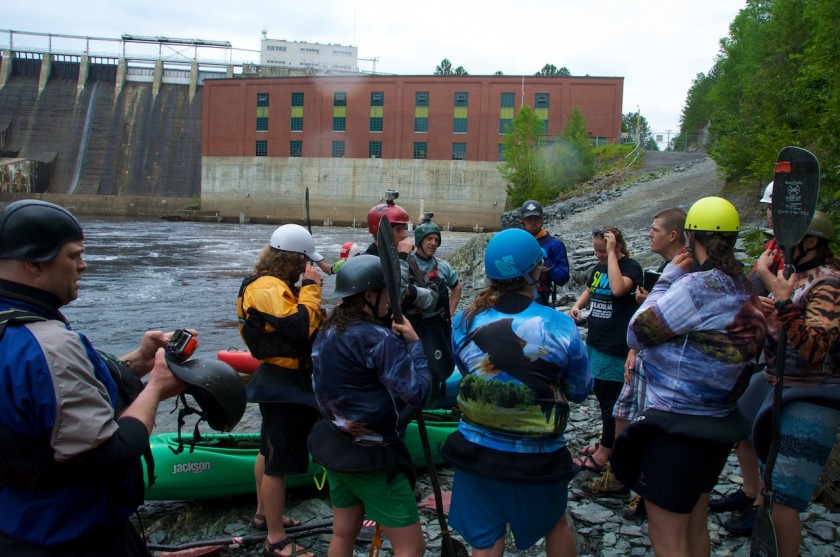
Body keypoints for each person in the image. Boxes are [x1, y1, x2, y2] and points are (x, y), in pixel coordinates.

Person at [0, 200, 187, 556]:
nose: (83, 266)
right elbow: (107, 455)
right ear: (33, 262)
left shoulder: (15, 326)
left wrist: (139, 360)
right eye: (74, 255)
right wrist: (157, 387)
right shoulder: (49, 343)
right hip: (71, 534)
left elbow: (49, 392)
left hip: (16, 523)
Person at [610, 197, 767, 557]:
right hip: (716, 427)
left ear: (692, 237)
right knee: (696, 527)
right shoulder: (743, 286)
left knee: (666, 536)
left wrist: (667, 281)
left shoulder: (698, 287)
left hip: (676, 426)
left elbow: (637, 332)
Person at [440, 228, 592, 557]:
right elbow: (581, 390)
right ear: (534, 271)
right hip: (538, 457)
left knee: (484, 539)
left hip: (475, 451)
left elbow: (468, 372)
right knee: (555, 523)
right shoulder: (560, 325)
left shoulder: (464, 321)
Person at [730, 210, 840, 557]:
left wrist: (781, 302)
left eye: (785, 239)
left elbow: (815, 349)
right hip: (783, 387)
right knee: (772, 485)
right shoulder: (800, 276)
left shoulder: (829, 283)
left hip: (811, 396)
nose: (777, 247)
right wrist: (775, 311)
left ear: (810, 242)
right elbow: (793, 330)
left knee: (785, 496)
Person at [309, 254, 430, 557]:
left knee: (343, 533)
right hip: (373, 458)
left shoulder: (325, 330)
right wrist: (414, 344)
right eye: (386, 292)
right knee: (412, 548)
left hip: (334, 446)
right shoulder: (379, 339)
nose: (391, 299)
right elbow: (417, 393)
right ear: (368, 294)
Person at [236, 223, 324, 557]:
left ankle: (263, 514)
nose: (306, 269)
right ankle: (276, 539)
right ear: (290, 261)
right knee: (278, 460)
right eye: (304, 263)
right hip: (281, 384)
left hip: (281, 380)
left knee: (268, 449)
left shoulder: (273, 284)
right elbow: (300, 327)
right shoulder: (268, 287)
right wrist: (312, 289)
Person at [592, 209, 689, 505]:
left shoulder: (683, 268)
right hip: (640, 351)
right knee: (623, 411)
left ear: (673, 235)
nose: (648, 233)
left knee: (640, 417)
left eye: (654, 229)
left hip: (661, 361)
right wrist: (636, 347)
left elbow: (674, 315)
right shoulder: (667, 265)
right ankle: (622, 475)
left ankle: (644, 487)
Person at [708, 181, 779, 533]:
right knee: (743, 427)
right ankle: (751, 491)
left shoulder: (797, 254)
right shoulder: (774, 246)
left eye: (772, 206)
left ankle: (764, 502)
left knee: (764, 433)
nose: (767, 212)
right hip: (762, 355)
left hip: (784, 365)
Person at [568, 226, 642, 480]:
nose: (598, 255)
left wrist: (612, 254)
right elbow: (592, 289)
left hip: (616, 346)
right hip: (596, 343)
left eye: (602, 250)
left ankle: (606, 452)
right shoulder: (600, 267)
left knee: (613, 402)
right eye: (596, 250)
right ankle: (605, 442)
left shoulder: (631, 267)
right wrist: (577, 305)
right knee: (601, 397)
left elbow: (618, 288)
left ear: (616, 246)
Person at [405, 218, 463, 404]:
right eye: (429, 239)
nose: (433, 243)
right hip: (414, 326)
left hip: (436, 327)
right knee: (415, 366)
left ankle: (435, 401)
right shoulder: (405, 264)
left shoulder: (443, 267)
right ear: (419, 241)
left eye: (436, 240)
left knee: (437, 366)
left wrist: (451, 310)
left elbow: (457, 286)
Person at [364, 191, 439, 313]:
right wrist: (402, 258)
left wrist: (410, 291)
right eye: (398, 230)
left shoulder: (410, 260)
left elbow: (432, 298)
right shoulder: (368, 262)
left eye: (404, 229)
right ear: (382, 232)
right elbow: (394, 298)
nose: (404, 235)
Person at [519, 199, 570, 306]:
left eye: (536, 218)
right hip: (517, 294)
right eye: (529, 218)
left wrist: (546, 262)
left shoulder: (554, 244)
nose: (533, 222)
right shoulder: (517, 242)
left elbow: (562, 279)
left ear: (542, 219)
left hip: (541, 297)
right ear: (522, 220)